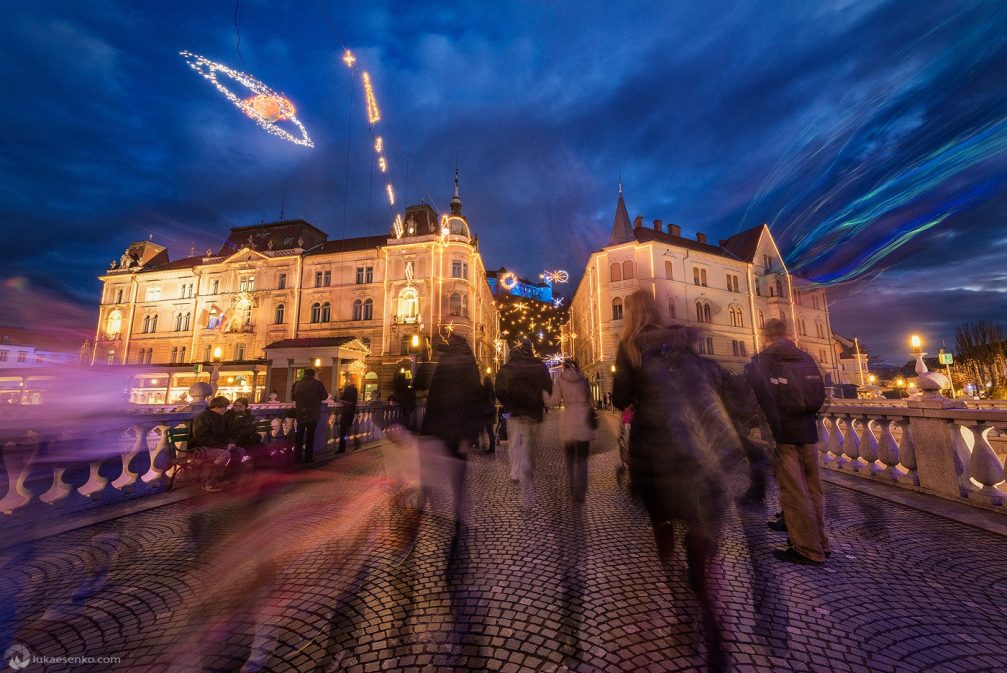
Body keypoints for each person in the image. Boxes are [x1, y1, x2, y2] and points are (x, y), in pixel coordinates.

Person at [612, 289, 741, 673]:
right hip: (702, 454)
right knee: (703, 541)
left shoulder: (631, 347)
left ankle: (684, 614)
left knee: (664, 530)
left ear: (630, 315)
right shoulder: (684, 343)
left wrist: (636, 395)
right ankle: (715, 624)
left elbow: (620, 399)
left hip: (660, 454)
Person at [747, 318, 830, 565]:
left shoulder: (761, 362)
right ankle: (822, 543)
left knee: (794, 492)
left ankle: (807, 549)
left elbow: (754, 401)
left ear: (765, 336)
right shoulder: (807, 358)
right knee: (814, 488)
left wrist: (755, 428)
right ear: (787, 334)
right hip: (809, 431)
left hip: (782, 433)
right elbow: (823, 396)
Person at [419, 332, 484, 523]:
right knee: (457, 476)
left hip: (439, 428)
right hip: (458, 429)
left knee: (433, 471)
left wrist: (427, 430)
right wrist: (469, 435)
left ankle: (430, 507)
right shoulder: (469, 365)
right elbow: (475, 400)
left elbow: (433, 398)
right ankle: (457, 513)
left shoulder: (444, 364)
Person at [495, 339, 552, 510]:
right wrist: (540, 404)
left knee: (514, 442)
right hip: (533, 413)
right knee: (528, 446)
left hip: (514, 412)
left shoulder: (510, 367)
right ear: (532, 349)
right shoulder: (539, 366)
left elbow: (499, 389)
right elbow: (548, 388)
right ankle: (527, 491)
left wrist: (508, 403)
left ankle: (514, 472)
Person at [545, 359, 595, 502]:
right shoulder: (583, 380)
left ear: (564, 368)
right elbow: (590, 400)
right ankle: (582, 491)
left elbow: (553, 401)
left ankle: (573, 487)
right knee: (582, 460)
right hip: (584, 423)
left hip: (570, 424)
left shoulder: (561, 380)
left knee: (570, 458)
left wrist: (543, 395)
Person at [190, 396, 238, 491]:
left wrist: (229, 443)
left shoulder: (221, 417)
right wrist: (223, 446)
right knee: (224, 454)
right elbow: (201, 438)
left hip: (214, 446)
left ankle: (225, 477)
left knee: (238, 451)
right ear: (217, 407)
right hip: (200, 448)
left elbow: (225, 434)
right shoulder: (202, 417)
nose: (226, 410)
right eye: (224, 407)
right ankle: (209, 482)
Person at [291, 368, 327, 464]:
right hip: (313, 413)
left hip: (300, 413)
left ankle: (297, 457)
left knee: (299, 436)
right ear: (313, 374)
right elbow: (324, 396)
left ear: (304, 374)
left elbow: (293, 397)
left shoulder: (297, 383)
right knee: (310, 436)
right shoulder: (318, 383)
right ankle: (308, 457)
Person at [337, 381, 359, 453]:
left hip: (346, 413)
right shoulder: (354, 392)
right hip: (350, 413)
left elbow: (349, 403)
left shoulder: (348, 391)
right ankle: (346, 444)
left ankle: (342, 447)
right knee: (346, 431)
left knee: (343, 431)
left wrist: (338, 400)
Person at [481, 375, 497, 453]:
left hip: (486, 413)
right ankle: (492, 447)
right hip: (492, 412)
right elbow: (494, 401)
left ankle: (490, 447)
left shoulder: (484, 390)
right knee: (491, 431)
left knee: (487, 430)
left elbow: (483, 401)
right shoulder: (492, 390)